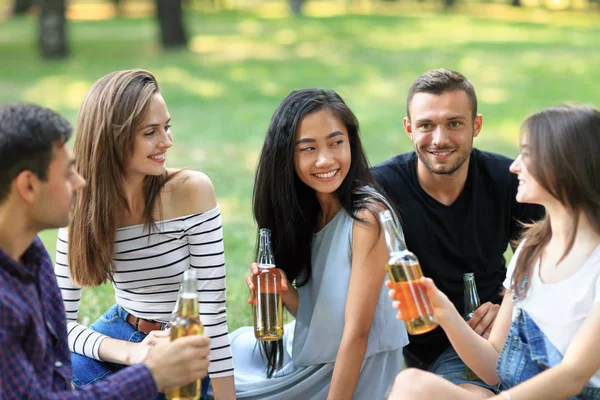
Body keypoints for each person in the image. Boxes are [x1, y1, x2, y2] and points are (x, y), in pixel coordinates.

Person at [388, 104, 600, 400]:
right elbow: (493, 367)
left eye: (527, 154)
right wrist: (443, 311)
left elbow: (572, 376)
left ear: (566, 164)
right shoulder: (532, 249)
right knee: (414, 385)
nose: (514, 166)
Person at [0, 102, 211, 399]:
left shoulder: (30, 252)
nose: (80, 182)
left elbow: (58, 342)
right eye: (67, 174)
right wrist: (150, 375)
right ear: (29, 186)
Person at [53, 70, 235, 399]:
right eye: (151, 132)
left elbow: (212, 315)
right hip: (117, 339)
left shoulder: (190, 190)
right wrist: (132, 353)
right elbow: (57, 326)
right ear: (113, 138)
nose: (166, 141)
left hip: (182, 343)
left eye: (167, 126)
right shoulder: (79, 204)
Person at [371, 68, 544, 395]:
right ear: (409, 128)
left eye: (454, 123)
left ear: (476, 125)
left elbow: (538, 265)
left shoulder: (508, 181)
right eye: (426, 125)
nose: (440, 139)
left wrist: (507, 305)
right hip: (430, 345)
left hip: (497, 334)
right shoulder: (381, 190)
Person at [227, 88, 408, 400]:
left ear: (351, 141)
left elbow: (357, 335)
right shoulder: (310, 209)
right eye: (308, 149)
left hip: (351, 373)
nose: (326, 159)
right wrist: (285, 292)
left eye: (336, 142)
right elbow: (325, 321)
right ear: (286, 156)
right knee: (212, 356)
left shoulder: (368, 219)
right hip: (315, 355)